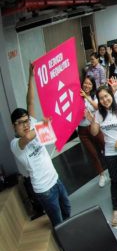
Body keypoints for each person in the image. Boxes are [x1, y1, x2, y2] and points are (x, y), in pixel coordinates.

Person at [10, 64, 71, 226]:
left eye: (27, 120)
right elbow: (27, 138)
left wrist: (31, 76)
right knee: (57, 221)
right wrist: (40, 126)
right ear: (13, 126)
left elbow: (30, 101)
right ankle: (65, 246)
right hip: (44, 189)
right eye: (20, 123)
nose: (25, 124)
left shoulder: (32, 124)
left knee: (67, 210)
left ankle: (72, 234)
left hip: (55, 179)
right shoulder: (16, 144)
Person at [87, 86, 117, 226]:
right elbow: (94, 133)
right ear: (99, 101)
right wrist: (92, 121)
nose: (105, 100)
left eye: (107, 96)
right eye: (101, 98)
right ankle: (116, 210)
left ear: (111, 95)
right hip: (110, 152)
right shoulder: (99, 114)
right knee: (114, 180)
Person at [78, 76, 106, 187]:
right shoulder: (76, 97)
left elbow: (98, 107)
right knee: (93, 153)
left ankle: (114, 166)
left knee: (105, 146)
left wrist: (86, 97)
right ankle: (102, 175)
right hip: (82, 130)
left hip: (95, 126)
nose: (87, 86)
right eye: (85, 83)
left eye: (90, 84)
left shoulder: (94, 96)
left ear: (93, 85)